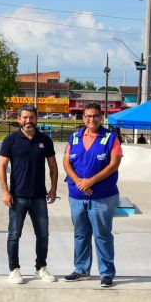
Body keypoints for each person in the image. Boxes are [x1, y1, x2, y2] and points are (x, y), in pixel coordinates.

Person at [63, 103, 123, 288]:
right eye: (88, 116)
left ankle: (106, 273)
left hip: (102, 196)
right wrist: (80, 182)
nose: (92, 119)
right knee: (80, 234)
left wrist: (91, 181)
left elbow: (114, 164)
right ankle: (81, 270)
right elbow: (66, 163)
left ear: (101, 117)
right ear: (83, 118)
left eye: (95, 116)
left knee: (102, 235)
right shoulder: (74, 137)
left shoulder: (111, 138)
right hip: (76, 196)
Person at [0, 105, 58, 284]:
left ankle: (41, 267)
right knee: (14, 234)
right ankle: (14, 269)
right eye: (24, 118)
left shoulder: (45, 140)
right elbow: (1, 167)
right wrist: (5, 191)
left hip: (39, 196)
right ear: (19, 119)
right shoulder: (10, 140)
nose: (28, 121)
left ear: (36, 119)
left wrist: (53, 189)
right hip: (17, 197)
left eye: (31, 117)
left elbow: (53, 166)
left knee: (43, 234)